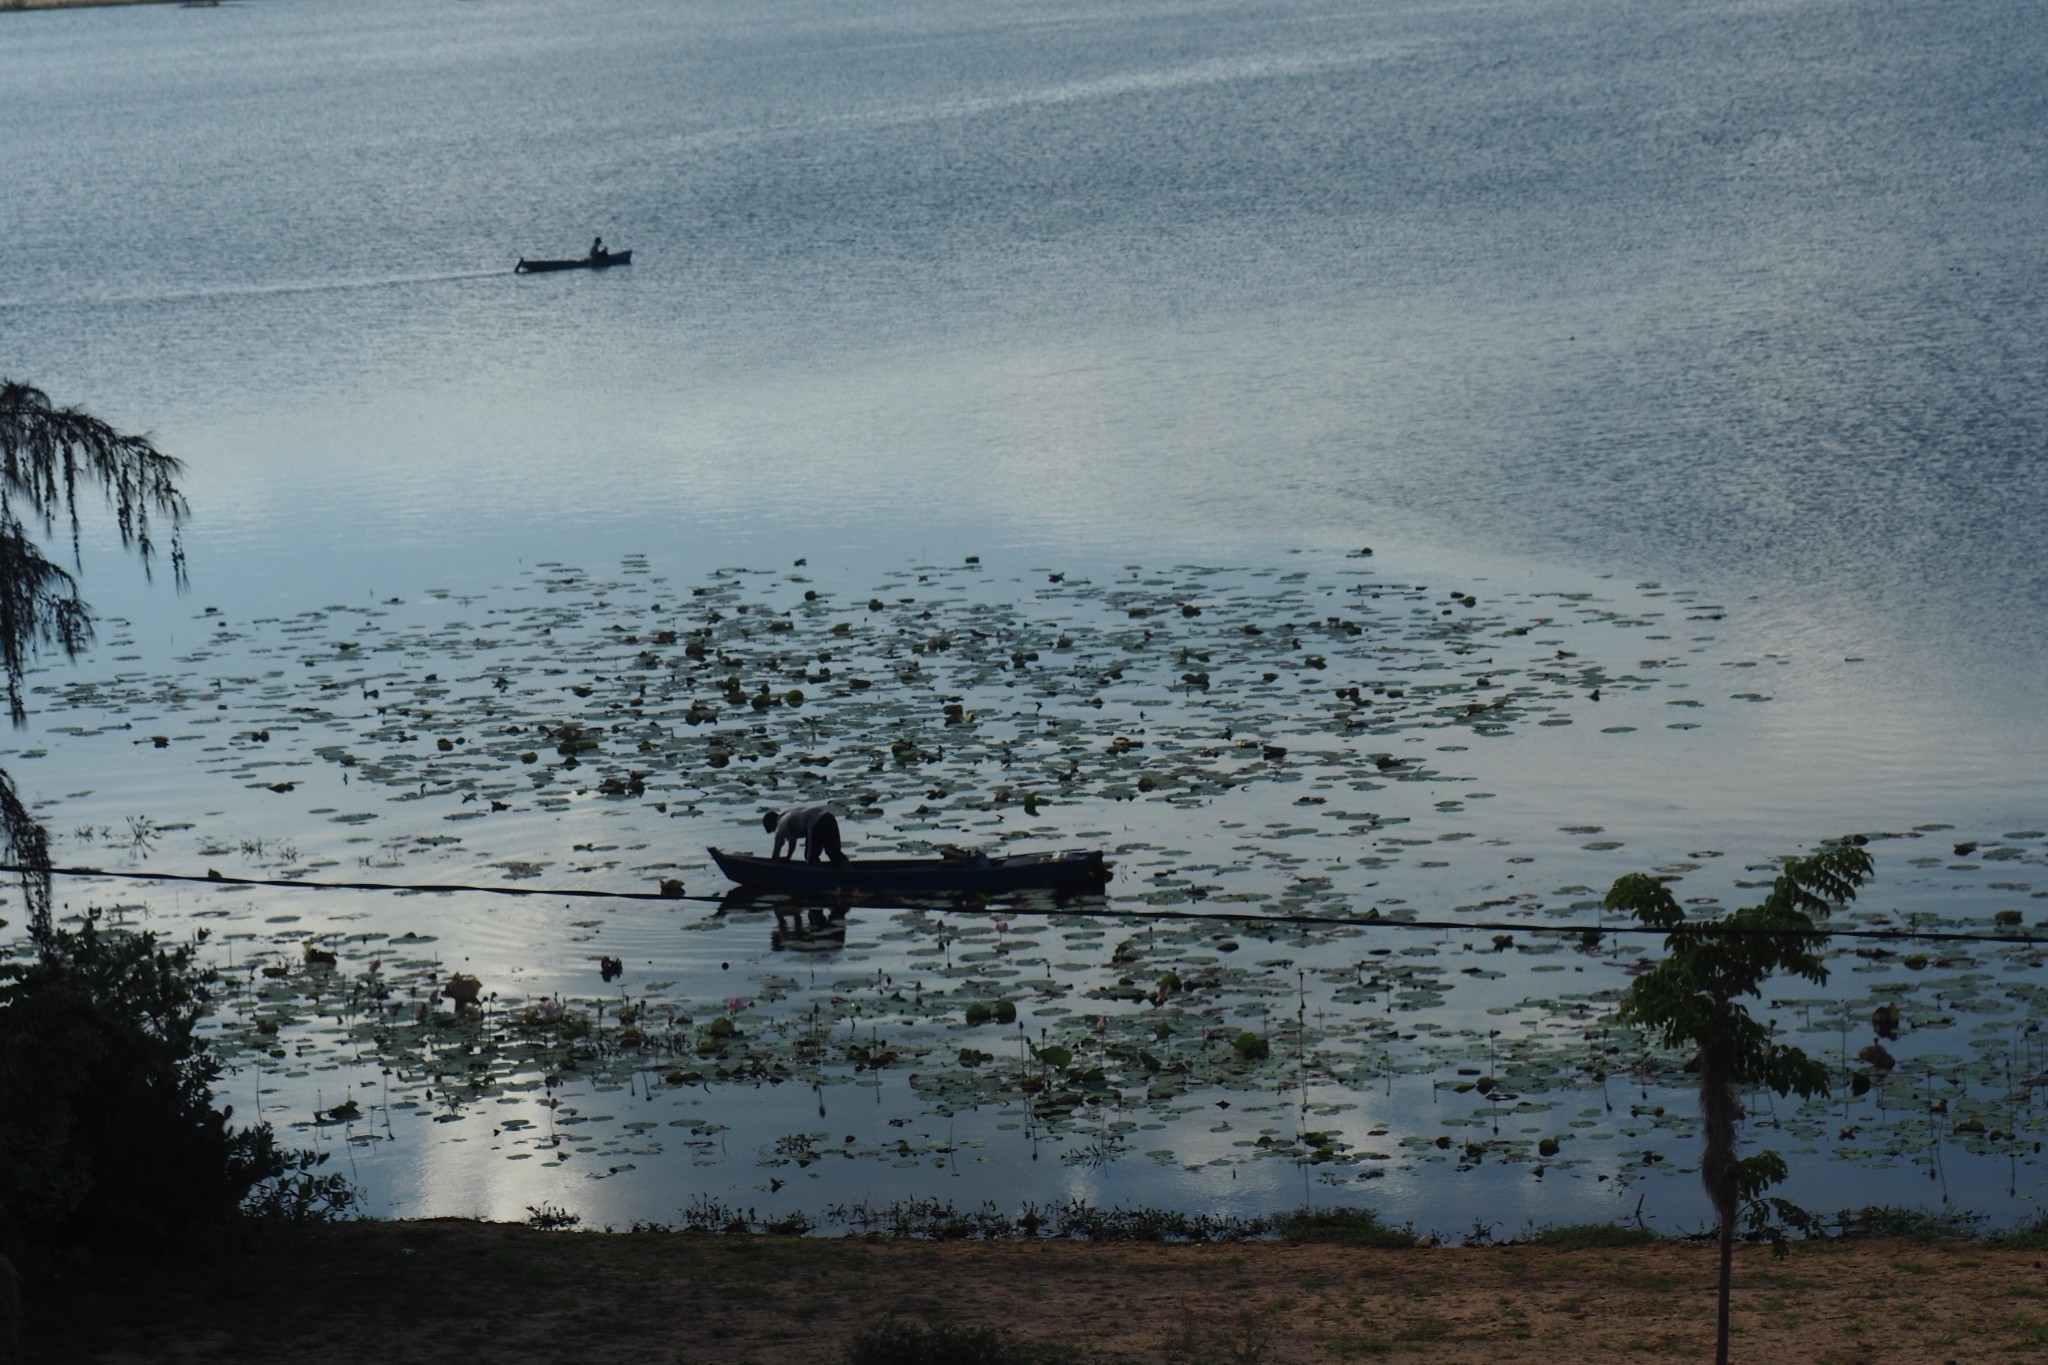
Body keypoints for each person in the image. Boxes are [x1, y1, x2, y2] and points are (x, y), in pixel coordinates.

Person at [764, 805, 849, 864]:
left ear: (772, 824)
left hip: (815, 823)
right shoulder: (786, 816)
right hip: (828, 817)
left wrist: (773, 864)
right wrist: (788, 857)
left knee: (811, 859)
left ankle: (820, 879)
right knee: (834, 853)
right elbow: (792, 841)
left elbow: (776, 852)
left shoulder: (780, 825)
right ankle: (850, 874)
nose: (774, 832)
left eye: (772, 830)